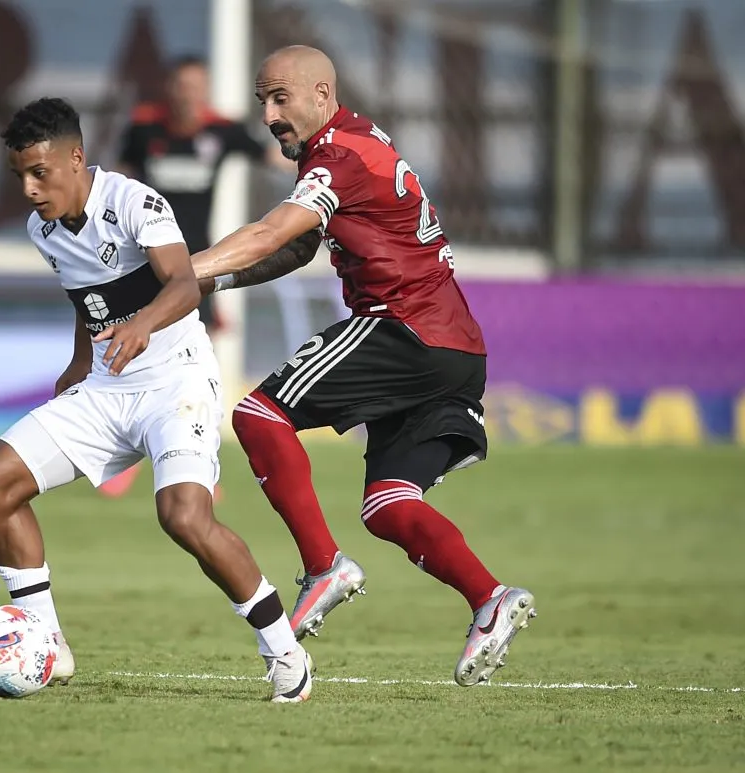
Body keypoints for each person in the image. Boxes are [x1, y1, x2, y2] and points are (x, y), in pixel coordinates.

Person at [191, 46, 537, 687]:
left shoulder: (339, 154)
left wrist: (181, 272)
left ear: (322, 94)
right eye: (262, 101)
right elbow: (293, 251)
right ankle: (490, 599)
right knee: (388, 505)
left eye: (279, 98)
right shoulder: (352, 144)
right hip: (458, 352)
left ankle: (323, 566)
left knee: (257, 414)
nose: (268, 114)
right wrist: (210, 285)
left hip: (404, 329)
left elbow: (271, 232)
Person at [0, 97, 313, 703]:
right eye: (19, 175)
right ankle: (47, 641)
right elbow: (87, 300)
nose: (29, 188)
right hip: (105, 387)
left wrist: (143, 323)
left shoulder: (134, 201)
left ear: (76, 158)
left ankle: (285, 652)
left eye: (39, 172)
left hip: (175, 382)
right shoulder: (41, 229)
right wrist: (76, 366)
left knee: (183, 517)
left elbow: (183, 283)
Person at [101, 55, 290, 498]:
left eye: (197, 86)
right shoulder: (146, 129)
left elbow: (275, 158)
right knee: (132, 352)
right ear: (170, 88)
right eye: (182, 85)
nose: (189, 94)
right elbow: (116, 181)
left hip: (196, 267)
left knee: (191, 358)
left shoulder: (221, 131)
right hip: (142, 263)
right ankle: (123, 458)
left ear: (205, 91)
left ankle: (196, 459)